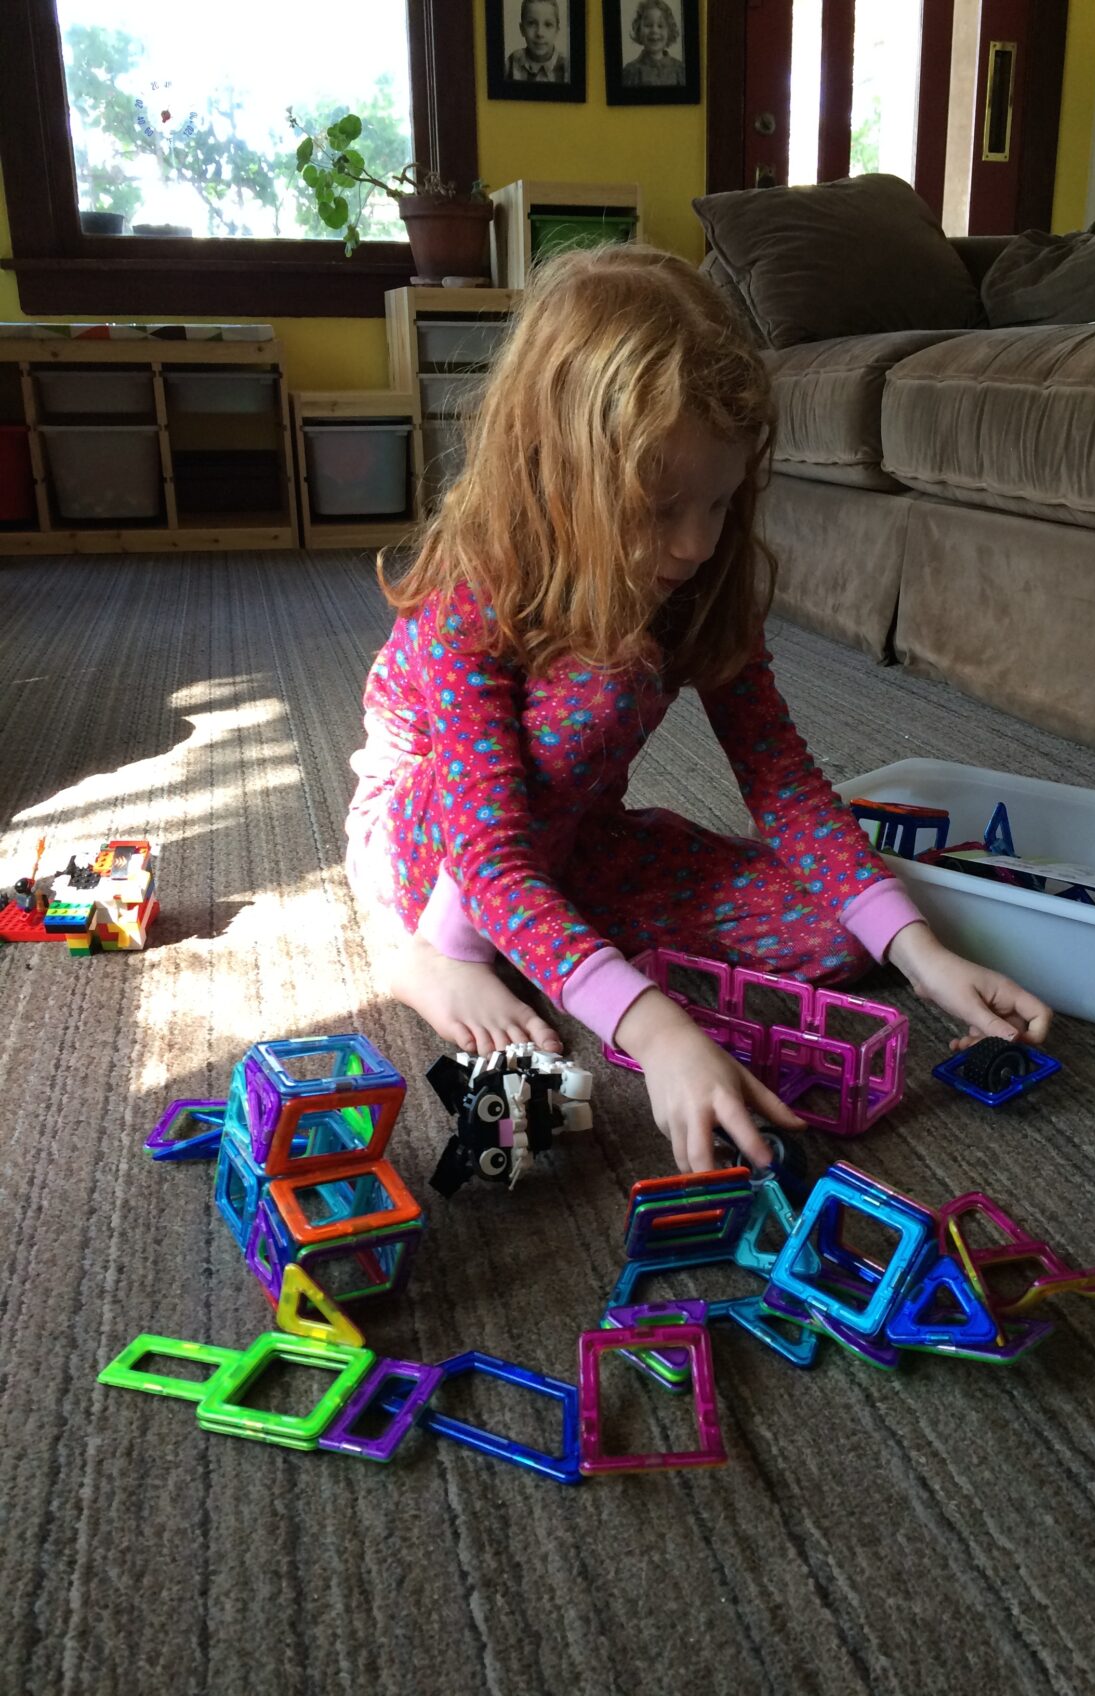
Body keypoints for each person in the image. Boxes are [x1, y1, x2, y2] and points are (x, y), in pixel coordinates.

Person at [345, 245, 1052, 1175]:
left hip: (568, 834)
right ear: (554, 476)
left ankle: (547, 945)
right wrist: (657, 1030)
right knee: (598, 691)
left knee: (838, 937)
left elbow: (782, 780)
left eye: (718, 502)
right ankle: (431, 954)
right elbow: (491, 851)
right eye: (658, 509)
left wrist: (924, 958)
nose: (694, 544)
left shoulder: (698, 580)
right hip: (428, 845)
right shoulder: (470, 597)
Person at [622, 0, 686, 88]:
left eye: (660, 26)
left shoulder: (680, 70)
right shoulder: (630, 72)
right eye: (648, 25)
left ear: (669, 31)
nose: (654, 30)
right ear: (638, 29)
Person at [506, 0, 569, 84]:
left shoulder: (567, 67)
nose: (540, 33)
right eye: (531, 23)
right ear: (522, 29)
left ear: (557, 31)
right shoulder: (511, 63)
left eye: (548, 24)